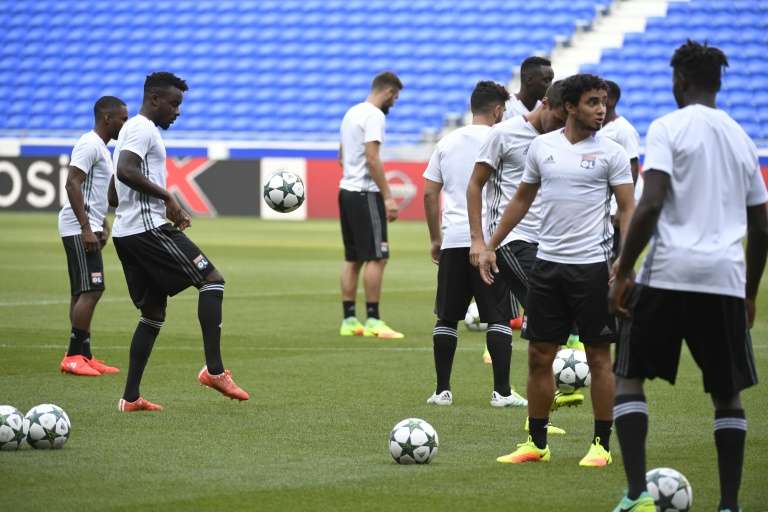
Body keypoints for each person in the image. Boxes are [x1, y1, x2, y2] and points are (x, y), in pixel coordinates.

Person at [609, 40, 768, 512]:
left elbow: (651, 202)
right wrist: (749, 293)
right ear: (717, 83)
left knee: (629, 377)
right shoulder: (742, 138)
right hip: (724, 281)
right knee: (727, 394)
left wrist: (624, 268)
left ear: (679, 81)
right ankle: (729, 504)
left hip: (668, 273)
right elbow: (762, 225)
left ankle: (636, 495)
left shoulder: (668, 127)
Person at [479, 74, 635, 466]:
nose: (601, 109)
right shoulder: (542, 147)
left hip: (592, 268)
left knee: (598, 357)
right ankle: (537, 444)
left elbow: (628, 208)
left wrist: (626, 259)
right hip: (547, 266)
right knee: (539, 356)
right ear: (569, 106)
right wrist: (491, 244)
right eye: (593, 102)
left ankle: (600, 445)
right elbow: (520, 200)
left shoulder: (613, 153)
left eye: (603, 102)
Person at [112, 72, 248, 412]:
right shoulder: (142, 129)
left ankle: (130, 397)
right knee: (212, 280)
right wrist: (167, 198)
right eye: (174, 104)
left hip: (127, 232)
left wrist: (152, 203)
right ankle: (214, 371)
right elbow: (125, 171)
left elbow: (117, 188)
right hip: (147, 229)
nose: (178, 111)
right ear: (154, 99)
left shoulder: (132, 130)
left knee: (153, 313)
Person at [467, 81, 576, 425]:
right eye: (559, 117)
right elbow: (475, 184)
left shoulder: (557, 141)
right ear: (546, 103)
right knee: (549, 310)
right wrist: (479, 241)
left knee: (545, 322)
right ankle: (554, 392)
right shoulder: (504, 134)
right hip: (511, 240)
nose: (561, 125)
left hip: (547, 242)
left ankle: (538, 414)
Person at [423, 81, 527, 408]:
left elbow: (429, 193)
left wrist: (436, 238)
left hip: (454, 237)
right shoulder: (503, 139)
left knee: (447, 317)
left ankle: (442, 391)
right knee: (498, 317)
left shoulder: (446, 141)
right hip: (490, 241)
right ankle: (502, 392)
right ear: (497, 110)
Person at [58, 96, 128, 376]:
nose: (125, 124)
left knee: (82, 289)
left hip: (88, 224)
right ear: (107, 118)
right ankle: (73, 355)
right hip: (77, 227)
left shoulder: (102, 148)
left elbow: (95, 194)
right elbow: (72, 183)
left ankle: (84, 354)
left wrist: (102, 223)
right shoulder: (89, 144)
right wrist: (86, 228)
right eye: (123, 119)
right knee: (92, 289)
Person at [337, 71, 405, 339]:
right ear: (388, 92)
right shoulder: (374, 115)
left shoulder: (351, 113)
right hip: (366, 193)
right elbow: (373, 159)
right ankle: (374, 320)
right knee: (378, 257)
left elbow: (341, 156)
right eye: (394, 98)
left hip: (346, 190)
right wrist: (387, 197)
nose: (393, 104)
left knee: (353, 258)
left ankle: (349, 320)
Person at [598, 80, 641, 260]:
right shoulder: (598, 128)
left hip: (617, 205)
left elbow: (633, 168)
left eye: (602, 98)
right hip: (602, 203)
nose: (598, 102)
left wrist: (622, 208)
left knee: (614, 256)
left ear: (612, 100)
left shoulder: (623, 129)